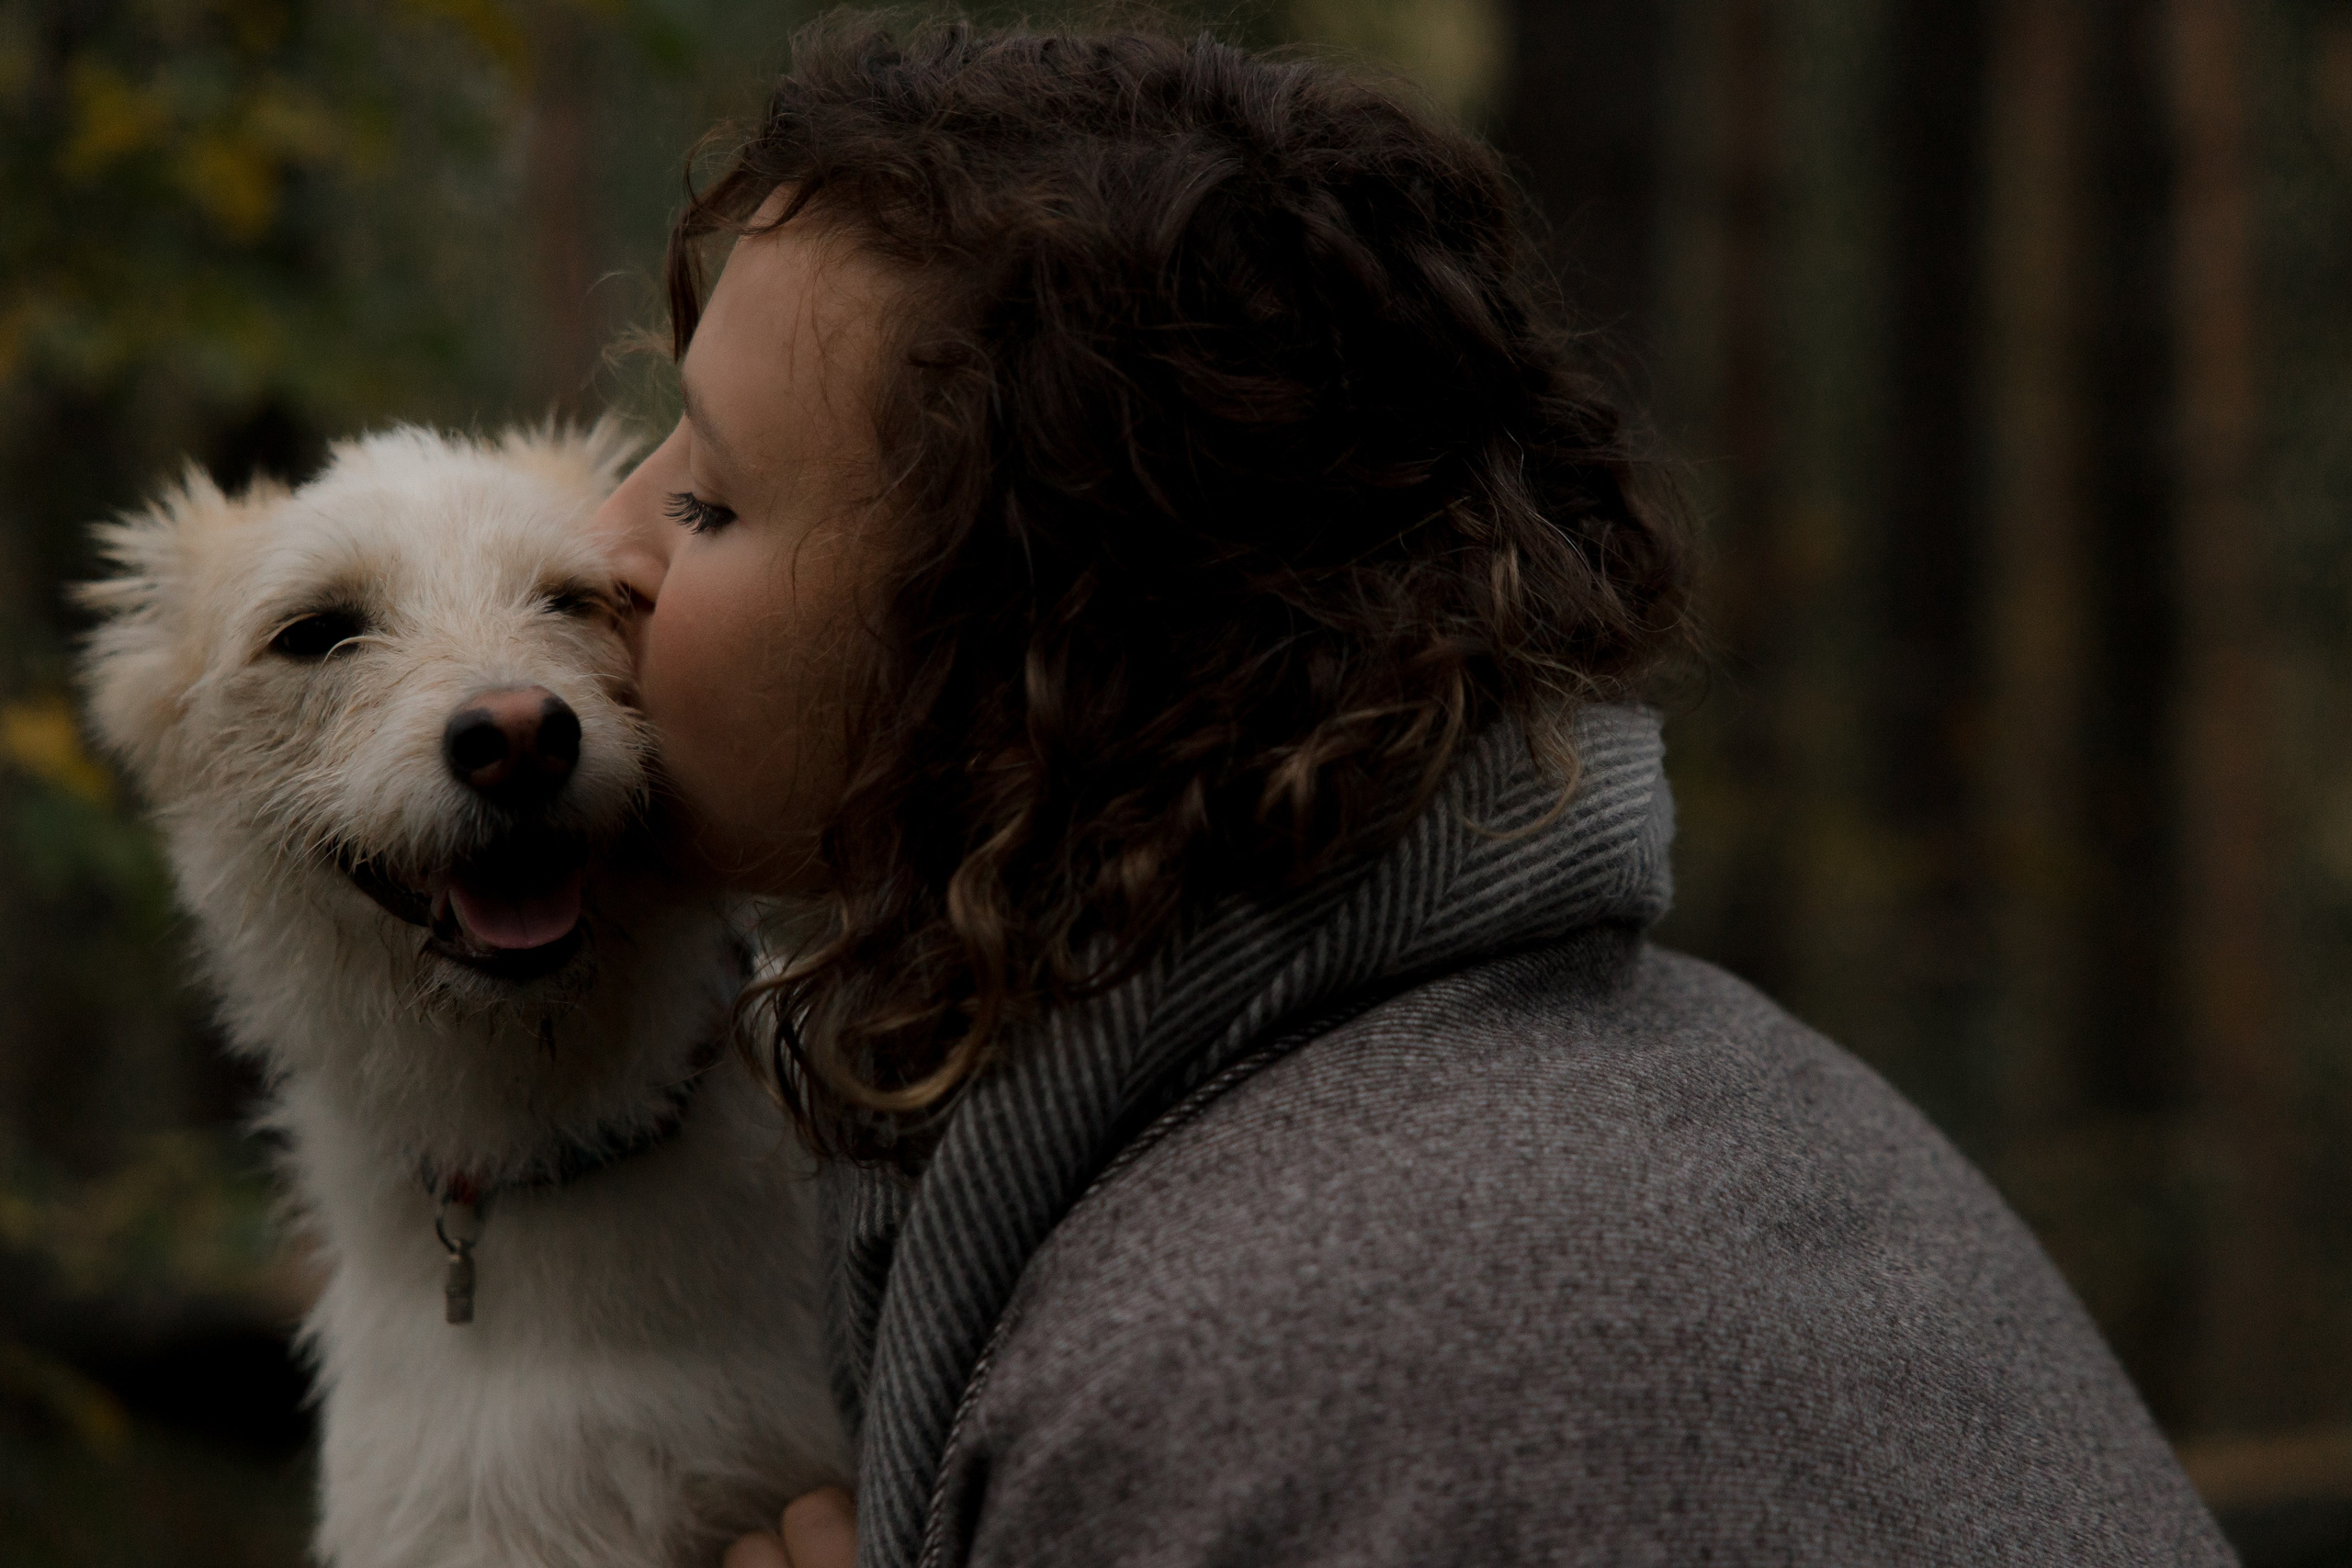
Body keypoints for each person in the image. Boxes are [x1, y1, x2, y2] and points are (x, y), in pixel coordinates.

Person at [595, 17, 2235, 1568]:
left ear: (1031, 660)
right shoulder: (1707, 1111)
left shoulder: (1278, 1356)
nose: (605, 538)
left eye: (713, 504)